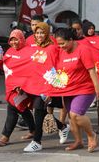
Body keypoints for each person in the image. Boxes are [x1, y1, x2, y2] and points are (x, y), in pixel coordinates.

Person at [54, 28, 99, 153]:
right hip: (68, 89)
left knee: (76, 115)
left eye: (63, 43)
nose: (61, 46)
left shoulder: (83, 50)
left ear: (71, 40)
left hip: (85, 88)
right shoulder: (61, 52)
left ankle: (91, 135)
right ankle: (78, 141)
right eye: (59, 44)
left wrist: (97, 87)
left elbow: (91, 69)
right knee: (71, 117)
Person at [22, 22, 63, 152]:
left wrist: (50, 90)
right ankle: (62, 126)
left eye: (42, 32)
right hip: (35, 86)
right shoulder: (36, 48)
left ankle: (37, 141)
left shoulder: (52, 48)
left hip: (47, 86)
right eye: (37, 33)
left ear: (47, 33)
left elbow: (53, 69)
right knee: (40, 111)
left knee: (38, 109)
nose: (39, 35)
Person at [0, 29, 35, 147]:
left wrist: (22, 85)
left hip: (24, 88)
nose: (14, 42)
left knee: (12, 108)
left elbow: (30, 71)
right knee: (21, 108)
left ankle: (5, 136)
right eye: (11, 40)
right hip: (11, 86)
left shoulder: (29, 52)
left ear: (21, 39)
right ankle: (33, 130)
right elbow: (5, 68)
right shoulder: (9, 51)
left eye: (16, 39)